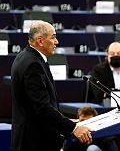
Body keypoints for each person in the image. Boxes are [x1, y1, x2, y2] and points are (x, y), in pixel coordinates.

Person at [11, 21, 93, 151]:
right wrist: (73, 128)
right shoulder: (33, 64)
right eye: (53, 37)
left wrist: (66, 121)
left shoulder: (25, 56)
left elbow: (38, 106)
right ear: (40, 41)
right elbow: (42, 108)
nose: (57, 42)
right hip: (35, 142)